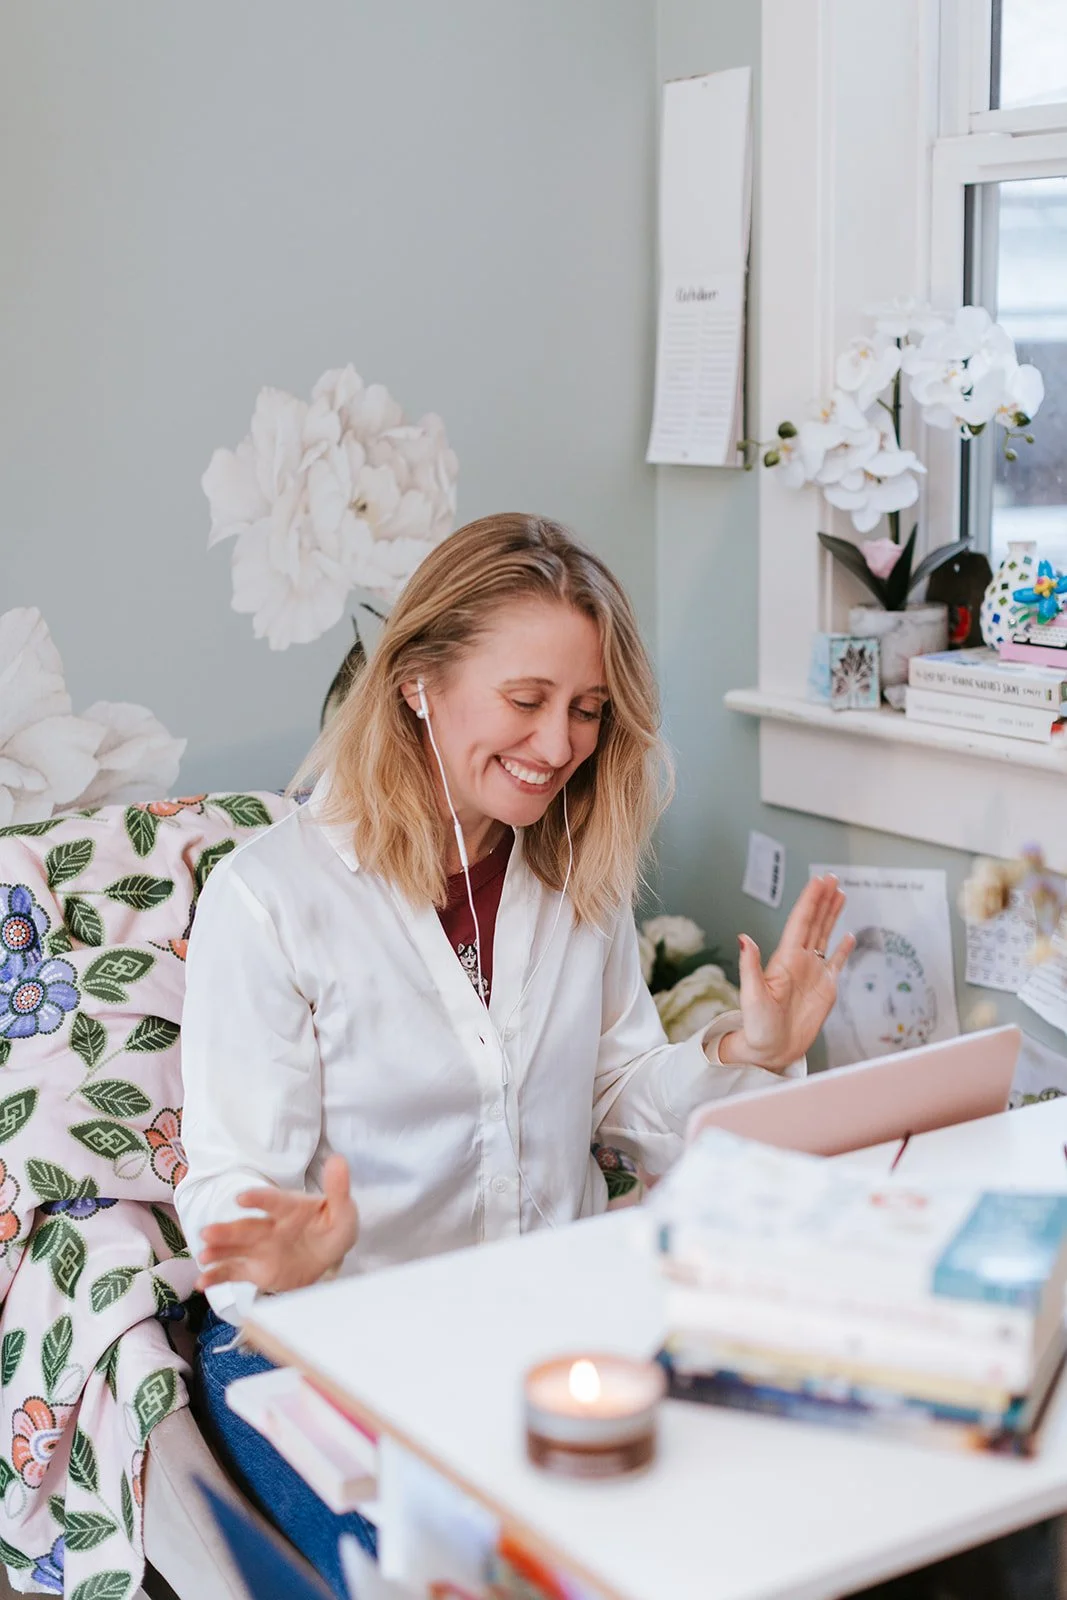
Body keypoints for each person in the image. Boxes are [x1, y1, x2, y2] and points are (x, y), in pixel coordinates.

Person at [175, 513, 853, 1596]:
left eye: (586, 710)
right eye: (526, 700)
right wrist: (284, 1268)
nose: (558, 745)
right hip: (340, 1349)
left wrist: (744, 1047)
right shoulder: (271, 902)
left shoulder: (570, 876)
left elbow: (628, 1096)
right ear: (417, 682)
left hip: (555, 1322)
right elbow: (230, 1189)